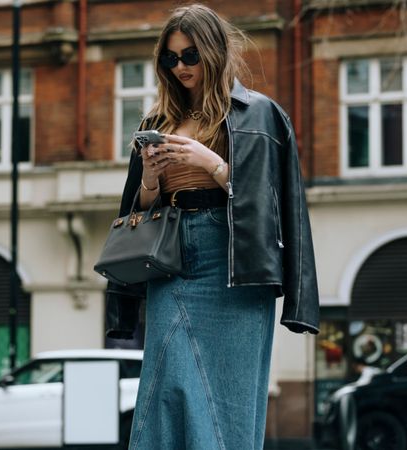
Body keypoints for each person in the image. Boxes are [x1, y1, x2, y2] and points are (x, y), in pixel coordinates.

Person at [105, 4, 319, 450]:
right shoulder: (156, 122)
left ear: (214, 52)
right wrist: (149, 176)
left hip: (234, 264)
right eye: (170, 58)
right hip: (174, 260)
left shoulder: (259, 114)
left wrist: (214, 164)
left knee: (230, 394)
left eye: (189, 56)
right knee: (166, 383)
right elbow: (140, 208)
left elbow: (276, 204)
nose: (179, 67)